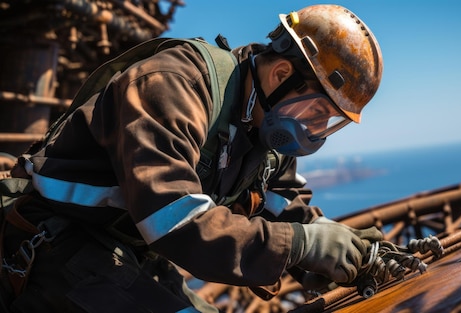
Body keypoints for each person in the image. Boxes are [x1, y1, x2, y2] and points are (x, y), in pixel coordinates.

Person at [0, 4, 383, 312]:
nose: (316, 129)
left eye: (329, 122)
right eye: (318, 112)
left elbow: (283, 206)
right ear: (281, 74)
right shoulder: (174, 84)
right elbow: (176, 221)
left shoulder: (263, 127)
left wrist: (356, 253)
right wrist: (302, 245)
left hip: (125, 248)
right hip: (55, 241)